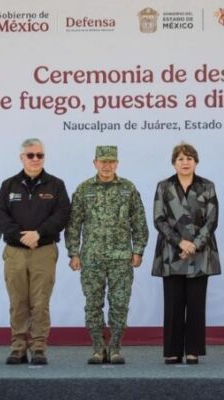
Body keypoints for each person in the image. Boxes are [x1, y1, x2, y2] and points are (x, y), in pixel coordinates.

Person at [65, 145, 148, 365]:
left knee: (120, 304)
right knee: (93, 304)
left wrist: (138, 250)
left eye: (111, 161)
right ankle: (98, 348)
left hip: (121, 258)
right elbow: (73, 224)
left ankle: (115, 348)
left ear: (117, 164)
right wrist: (74, 253)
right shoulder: (84, 190)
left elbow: (139, 222)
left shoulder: (128, 188)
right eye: (103, 161)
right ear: (95, 163)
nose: (107, 165)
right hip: (91, 258)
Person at [0, 138, 70, 365]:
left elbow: (62, 214)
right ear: (22, 158)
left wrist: (39, 233)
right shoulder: (8, 185)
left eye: (40, 155)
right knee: (17, 301)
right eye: (31, 155)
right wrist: (21, 235)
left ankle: (38, 348)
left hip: (44, 250)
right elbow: (0, 216)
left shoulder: (56, 185)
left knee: (40, 302)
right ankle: (18, 347)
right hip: (15, 252)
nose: (36, 159)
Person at [152, 143, 221, 365]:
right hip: (171, 254)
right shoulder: (164, 187)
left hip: (200, 255)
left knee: (196, 304)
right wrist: (179, 242)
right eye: (180, 159)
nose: (185, 162)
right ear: (174, 162)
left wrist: (194, 244)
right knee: (173, 305)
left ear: (196, 162)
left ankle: (193, 351)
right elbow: (158, 219)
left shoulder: (207, 186)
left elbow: (212, 220)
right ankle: (172, 351)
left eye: (189, 158)